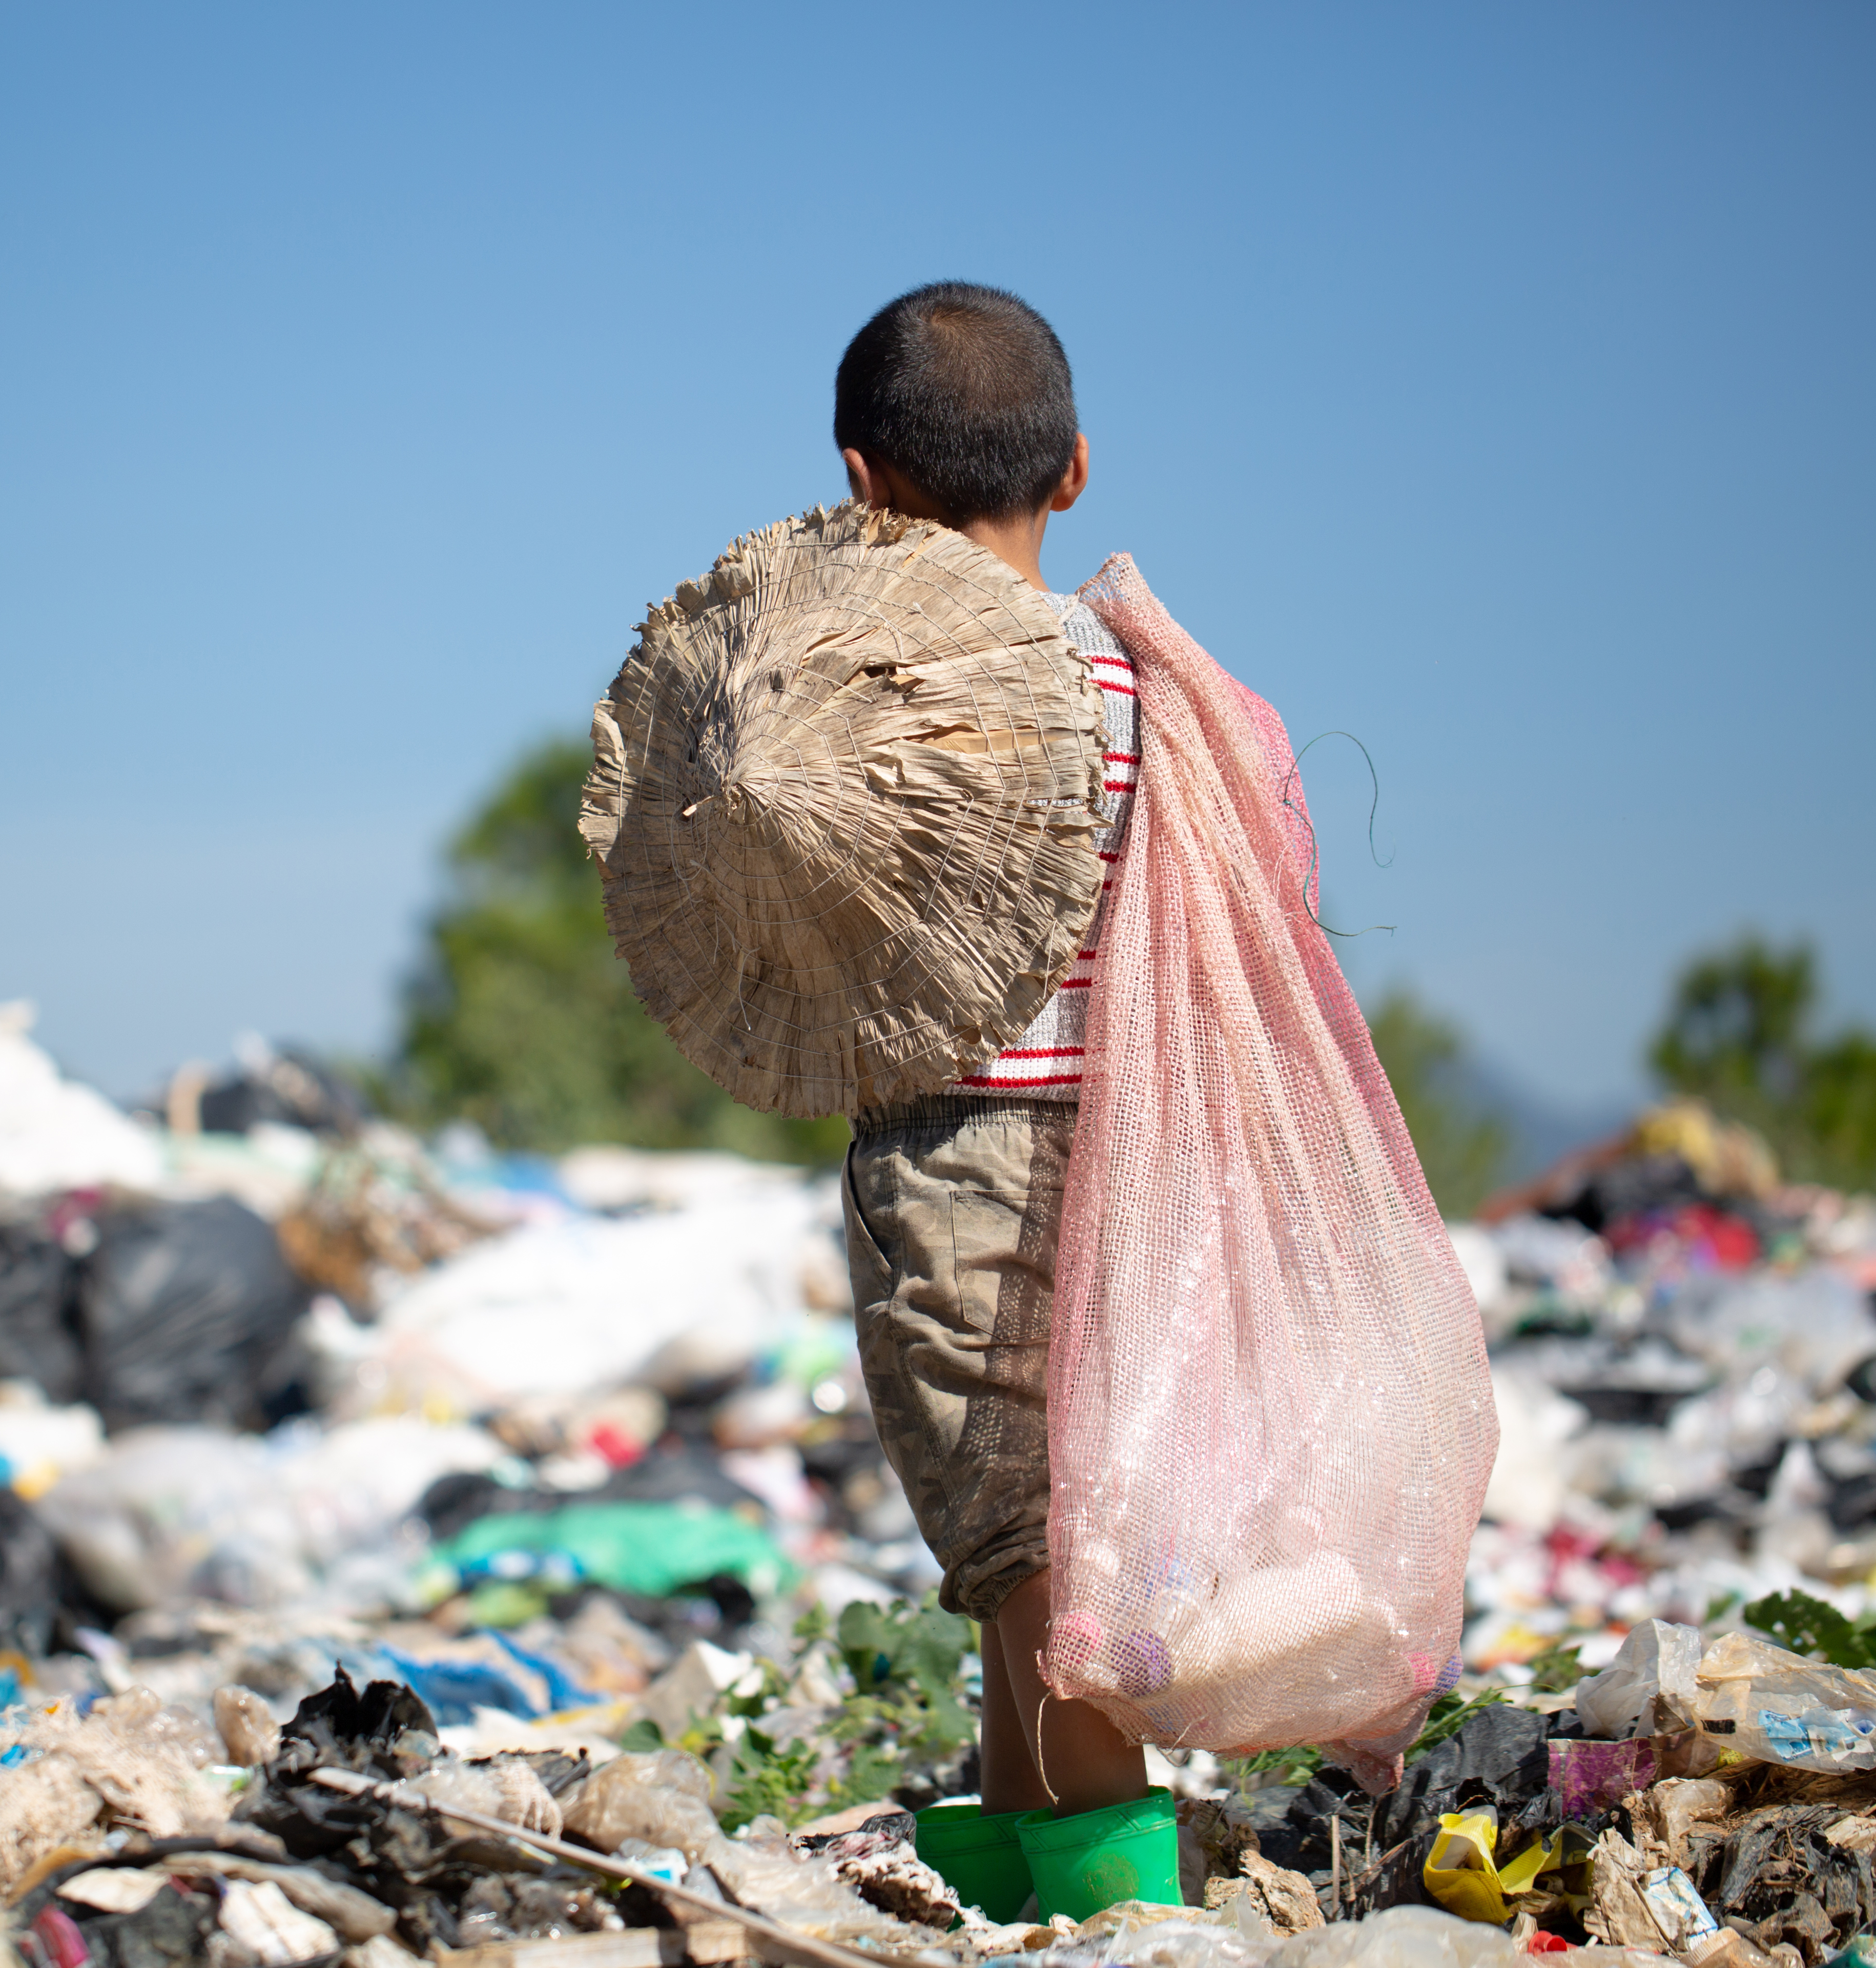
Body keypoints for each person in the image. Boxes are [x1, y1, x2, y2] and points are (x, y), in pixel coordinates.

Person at [829, 281, 1178, 1921]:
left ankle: (1123, 1906)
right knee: (1029, 1538)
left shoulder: (878, 691)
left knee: (1030, 1554)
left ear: (860, 484)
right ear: (1076, 471)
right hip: (1120, 1145)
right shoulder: (1131, 685)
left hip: (958, 1151)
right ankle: (1022, 1876)